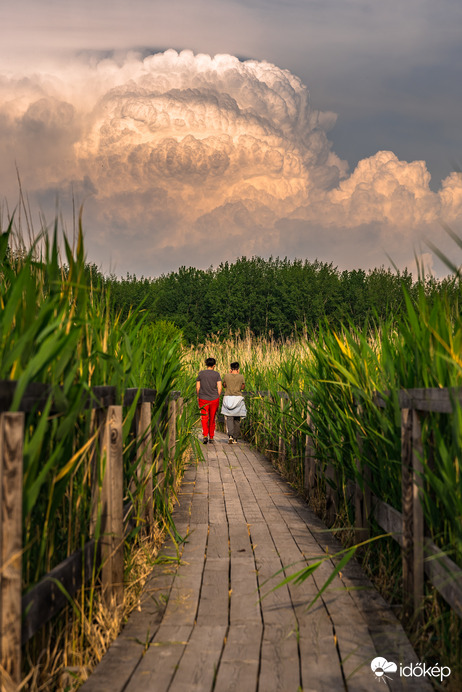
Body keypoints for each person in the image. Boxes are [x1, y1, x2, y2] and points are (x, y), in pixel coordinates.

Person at [196, 357, 222, 444]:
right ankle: (211, 437)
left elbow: (198, 387)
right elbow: (219, 387)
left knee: (204, 417)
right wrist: (217, 396)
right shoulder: (217, 374)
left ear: (206, 364)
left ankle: (204, 435)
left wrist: (198, 396)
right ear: (214, 365)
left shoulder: (201, 374)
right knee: (212, 417)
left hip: (203, 398)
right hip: (214, 399)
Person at [221, 361, 246, 444]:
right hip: (238, 398)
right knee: (237, 419)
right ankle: (235, 438)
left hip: (228, 398)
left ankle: (230, 436)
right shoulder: (241, 376)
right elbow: (242, 387)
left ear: (230, 369)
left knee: (229, 418)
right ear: (238, 369)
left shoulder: (226, 376)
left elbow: (224, 385)